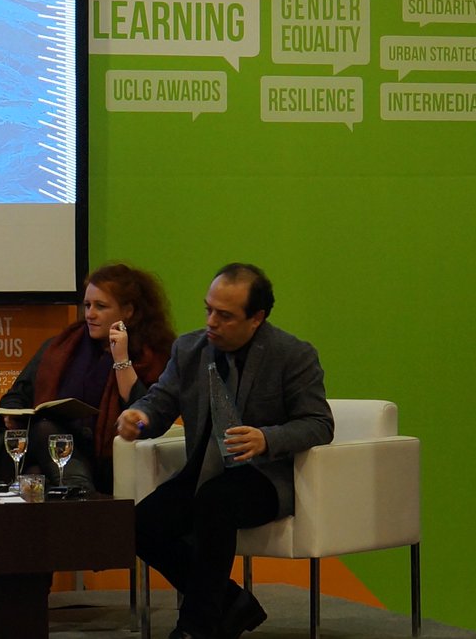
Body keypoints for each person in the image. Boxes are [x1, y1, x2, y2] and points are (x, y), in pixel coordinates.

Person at [116, 263, 334, 639]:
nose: (211, 322)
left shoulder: (292, 355)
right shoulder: (190, 349)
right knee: (139, 525)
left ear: (256, 318)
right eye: (208, 310)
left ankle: (196, 628)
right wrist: (140, 416)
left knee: (216, 501)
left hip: (264, 476)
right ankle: (233, 602)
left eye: (225, 315)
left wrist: (267, 438)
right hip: (204, 470)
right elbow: (160, 402)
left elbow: (319, 423)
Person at [0, 262, 175, 493]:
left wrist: (121, 359)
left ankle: (79, 493)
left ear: (128, 311)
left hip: (103, 459)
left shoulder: (151, 355)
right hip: (41, 446)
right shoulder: (60, 347)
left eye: (100, 306)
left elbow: (142, 417)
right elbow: (15, 396)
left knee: (37, 472)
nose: (90, 314)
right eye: (87, 305)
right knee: (45, 432)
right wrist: (13, 416)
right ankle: (81, 495)